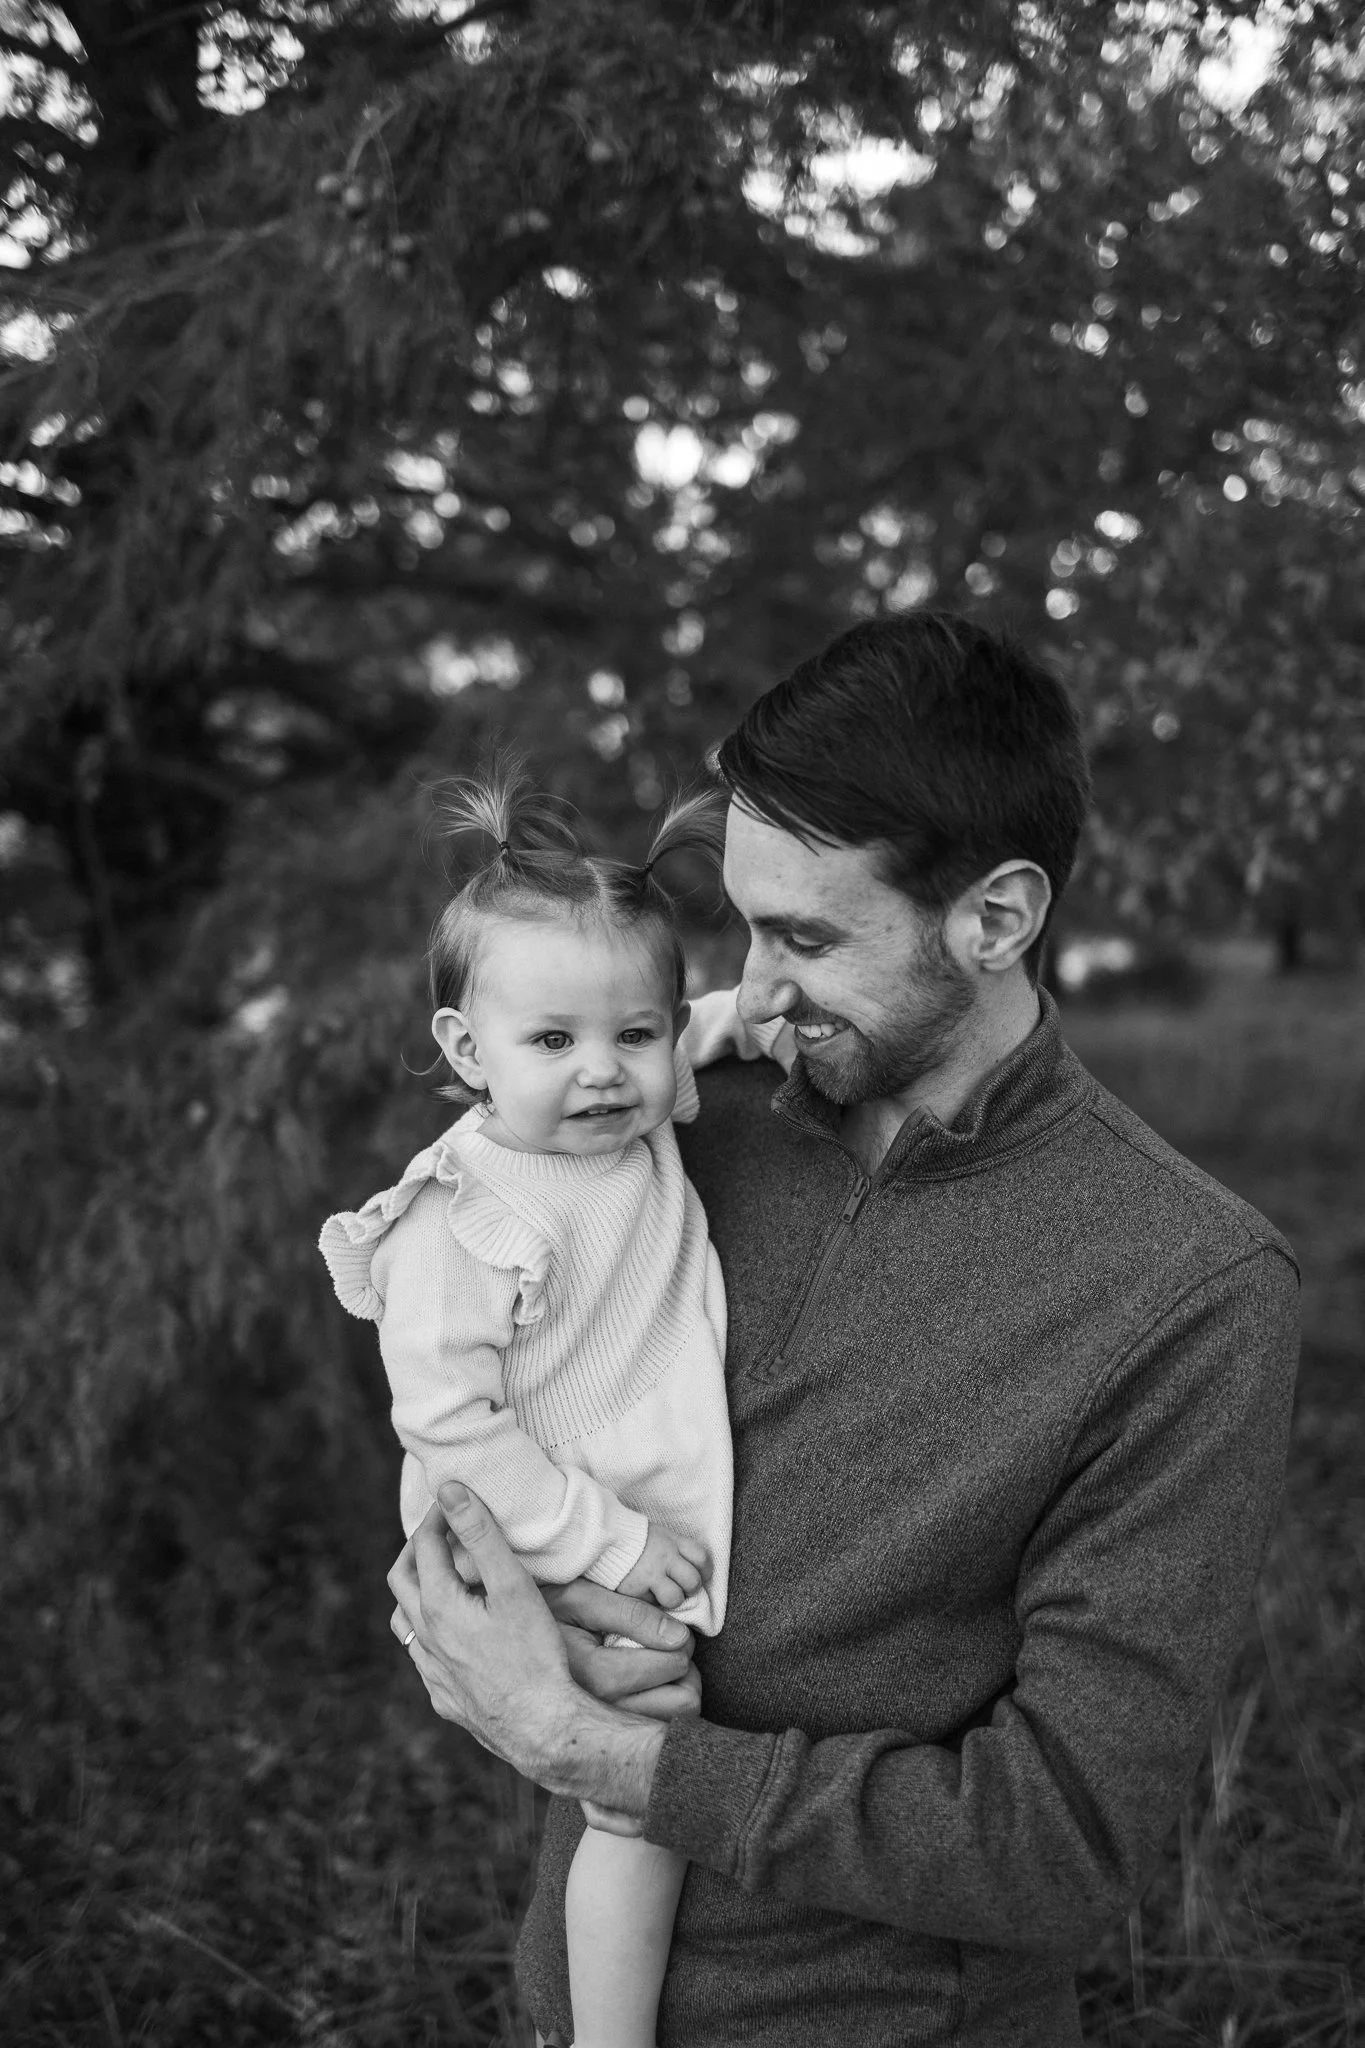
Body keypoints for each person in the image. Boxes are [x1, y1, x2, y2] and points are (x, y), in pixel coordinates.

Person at [387, 613, 1300, 2048]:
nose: (752, 989)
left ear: (996, 918)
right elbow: (485, 1400)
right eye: (746, 926)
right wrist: (481, 1625)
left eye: (807, 937)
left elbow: (1064, 1840)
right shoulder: (679, 1125)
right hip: (570, 1996)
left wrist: (602, 1751)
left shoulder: (1186, 1287)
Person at [320, 767, 791, 2048]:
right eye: (551, 1042)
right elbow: (451, 1430)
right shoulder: (462, 1214)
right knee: (641, 1784)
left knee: (645, 1767)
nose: (601, 1073)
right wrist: (609, 1542)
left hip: (612, 1479)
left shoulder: (635, 1103)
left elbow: (699, 1027)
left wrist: (753, 1018)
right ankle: (608, 2034)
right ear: (467, 1047)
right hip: (530, 1515)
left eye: (633, 1035)